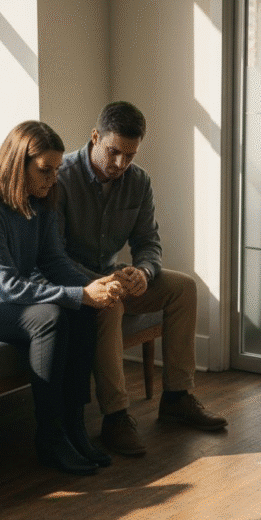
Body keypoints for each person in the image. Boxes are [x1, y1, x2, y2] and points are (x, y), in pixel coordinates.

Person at [0, 120, 123, 476]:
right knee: (49, 317)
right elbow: (9, 286)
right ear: (19, 163)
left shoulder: (41, 199)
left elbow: (53, 261)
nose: (52, 179)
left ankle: (75, 426)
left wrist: (96, 287)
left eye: (57, 170)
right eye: (45, 170)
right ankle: (50, 436)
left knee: (81, 310)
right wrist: (80, 294)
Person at [55, 101, 227, 456]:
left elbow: (148, 242)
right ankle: (116, 417)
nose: (121, 163)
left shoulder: (139, 181)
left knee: (183, 288)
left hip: (116, 276)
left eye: (130, 155)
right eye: (113, 152)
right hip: (77, 284)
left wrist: (144, 272)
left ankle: (177, 397)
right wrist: (102, 283)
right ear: (95, 137)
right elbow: (54, 256)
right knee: (110, 304)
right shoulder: (62, 179)